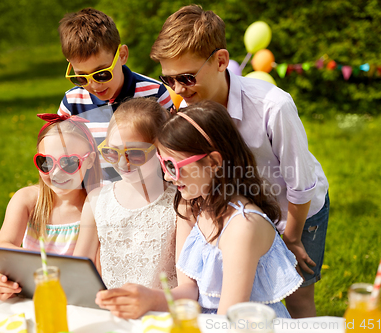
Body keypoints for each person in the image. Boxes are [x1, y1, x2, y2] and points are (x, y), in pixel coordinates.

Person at [149, 4, 330, 318]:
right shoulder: (188, 109)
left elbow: (301, 185)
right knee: (244, 296)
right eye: (169, 79)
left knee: (297, 298)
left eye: (187, 77)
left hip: (295, 210)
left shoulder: (273, 106)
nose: (178, 89)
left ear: (221, 60)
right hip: (235, 213)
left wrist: (292, 238)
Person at [96, 101, 303, 318]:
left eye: (172, 165)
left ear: (213, 162)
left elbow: (228, 319)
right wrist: (149, 298)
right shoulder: (199, 206)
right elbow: (190, 290)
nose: (167, 176)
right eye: (162, 163)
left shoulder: (243, 227)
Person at [0, 113, 102, 300]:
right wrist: (5, 278)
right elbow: (3, 246)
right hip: (31, 296)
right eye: (46, 163)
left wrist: (27, 267)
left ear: (90, 160)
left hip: (76, 302)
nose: (56, 173)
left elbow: (80, 274)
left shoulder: (95, 205)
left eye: (69, 163)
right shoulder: (26, 199)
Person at [57, 8, 174, 181]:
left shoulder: (154, 93)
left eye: (102, 74)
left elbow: (173, 150)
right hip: (98, 195)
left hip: (151, 188)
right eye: (81, 77)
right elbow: (64, 157)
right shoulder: (71, 103)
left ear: (122, 55)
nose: (94, 84)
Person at [73, 98, 177, 290]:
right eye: (112, 153)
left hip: (162, 314)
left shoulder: (180, 203)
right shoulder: (97, 201)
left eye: (135, 154)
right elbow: (78, 269)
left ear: (162, 148)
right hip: (112, 311)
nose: (122, 163)